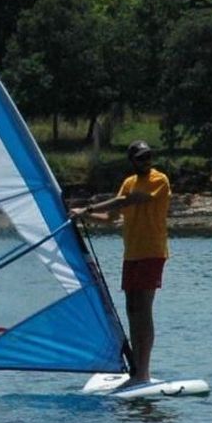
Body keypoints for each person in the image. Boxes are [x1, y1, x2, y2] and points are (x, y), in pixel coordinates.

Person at [84, 142, 172, 382]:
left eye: (149, 156)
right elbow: (111, 218)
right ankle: (136, 370)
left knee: (143, 310)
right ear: (132, 161)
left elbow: (127, 202)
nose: (146, 161)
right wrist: (82, 216)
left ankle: (143, 372)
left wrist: (87, 207)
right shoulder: (128, 182)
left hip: (152, 252)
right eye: (141, 158)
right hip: (131, 254)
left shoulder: (159, 179)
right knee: (132, 309)